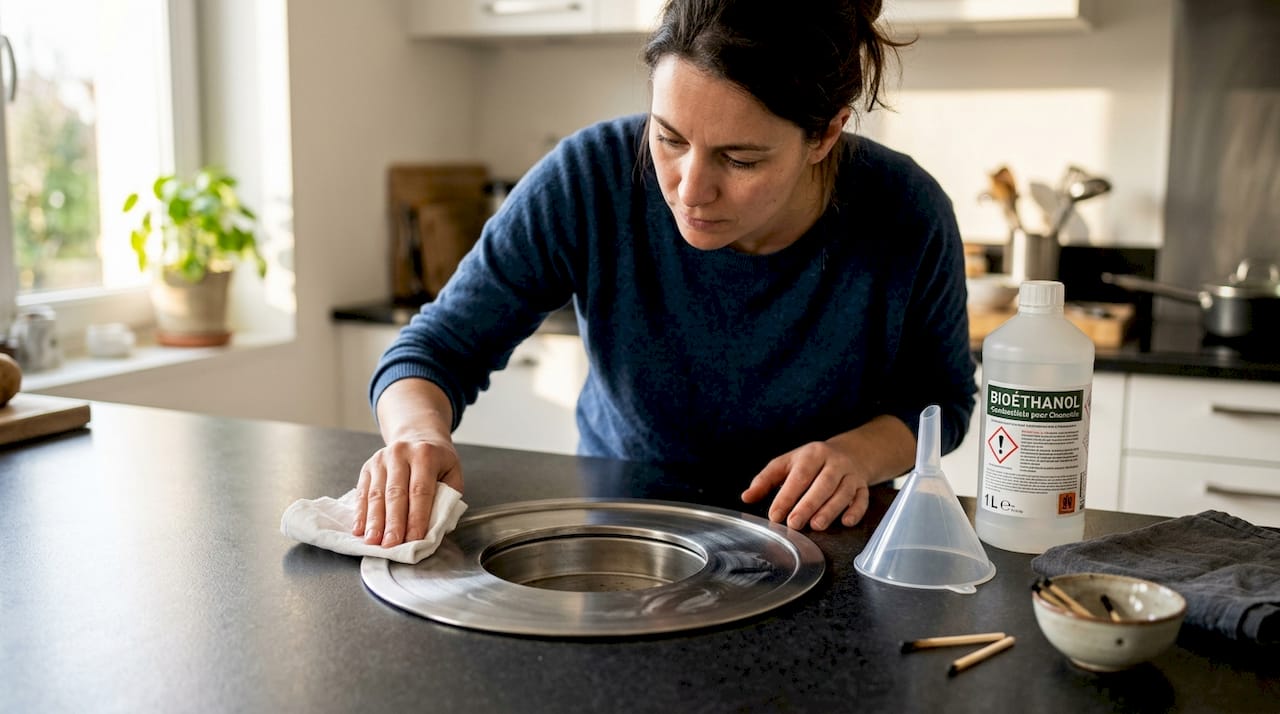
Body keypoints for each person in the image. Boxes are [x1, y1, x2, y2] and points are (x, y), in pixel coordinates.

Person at [353, 0, 976, 548]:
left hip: (826, 543)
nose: (689, 189)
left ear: (826, 133)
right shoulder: (589, 177)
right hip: (622, 538)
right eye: (670, 138)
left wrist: (857, 455)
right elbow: (435, 349)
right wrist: (417, 436)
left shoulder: (906, 212)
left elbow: (942, 401)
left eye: (740, 158)